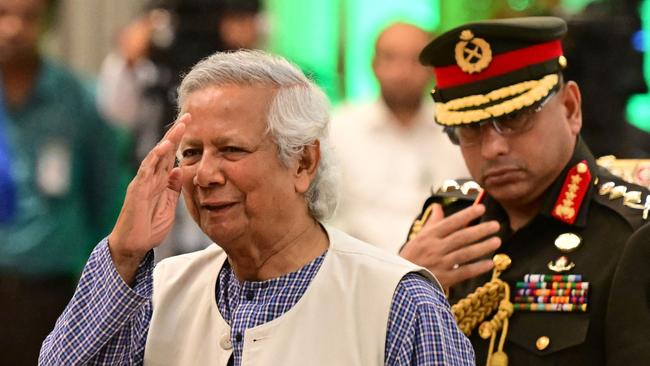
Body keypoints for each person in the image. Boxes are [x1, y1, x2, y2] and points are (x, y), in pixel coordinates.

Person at [40, 50, 474, 366]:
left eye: (230, 149)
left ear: (303, 162)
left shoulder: (397, 300)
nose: (205, 174)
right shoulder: (158, 290)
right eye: (190, 154)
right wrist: (123, 253)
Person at [399, 17, 650, 365]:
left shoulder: (632, 234)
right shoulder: (447, 219)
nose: (492, 149)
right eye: (470, 129)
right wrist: (398, 288)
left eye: (515, 119)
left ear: (570, 109)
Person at [0, 0, 125, 364]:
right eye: (3, 14)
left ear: (47, 22)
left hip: (51, 296)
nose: (13, 28)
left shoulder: (80, 100)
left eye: (28, 17)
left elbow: (107, 197)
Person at [329, 22, 467, 252]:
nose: (402, 72)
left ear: (432, 68)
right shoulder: (338, 130)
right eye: (391, 58)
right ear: (373, 65)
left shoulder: (459, 130)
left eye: (415, 60)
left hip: (446, 274)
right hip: (357, 272)